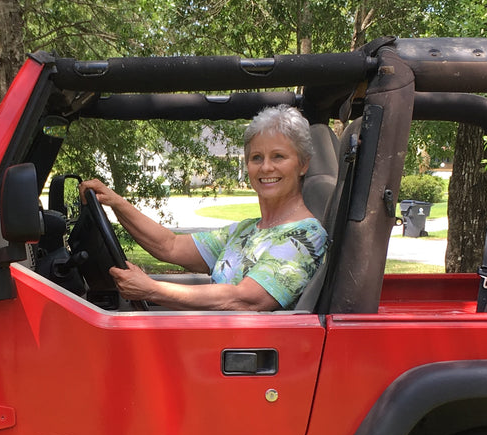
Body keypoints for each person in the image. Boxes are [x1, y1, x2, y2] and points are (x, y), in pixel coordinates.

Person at [81, 105, 328, 310]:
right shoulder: (248, 231)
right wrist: (115, 202)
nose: (265, 168)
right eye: (256, 158)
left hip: (243, 359)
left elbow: (245, 299)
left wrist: (151, 289)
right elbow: (171, 246)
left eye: (278, 157)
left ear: (303, 165)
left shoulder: (305, 236)